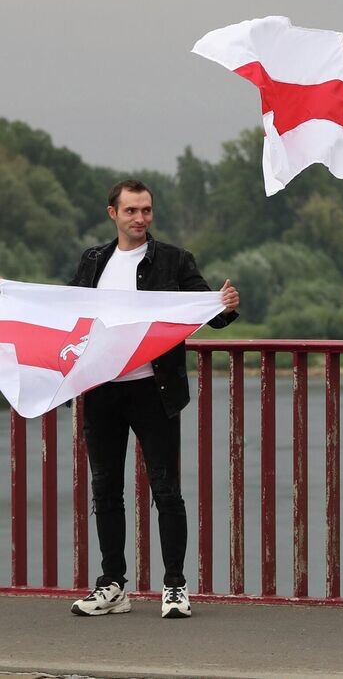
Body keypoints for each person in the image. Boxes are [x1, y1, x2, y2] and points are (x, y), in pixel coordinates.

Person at [69, 179, 239, 619]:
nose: (140, 218)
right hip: (102, 389)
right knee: (106, 490)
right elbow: (68, 312)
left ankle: (175, 586)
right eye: (131, 210)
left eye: (146, 210)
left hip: (154, 390)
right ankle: (112, 585)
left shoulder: (175, 259)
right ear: (113, 213)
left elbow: (207, 308)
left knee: (166, 490)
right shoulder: (93, 261)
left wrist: (223, 306)